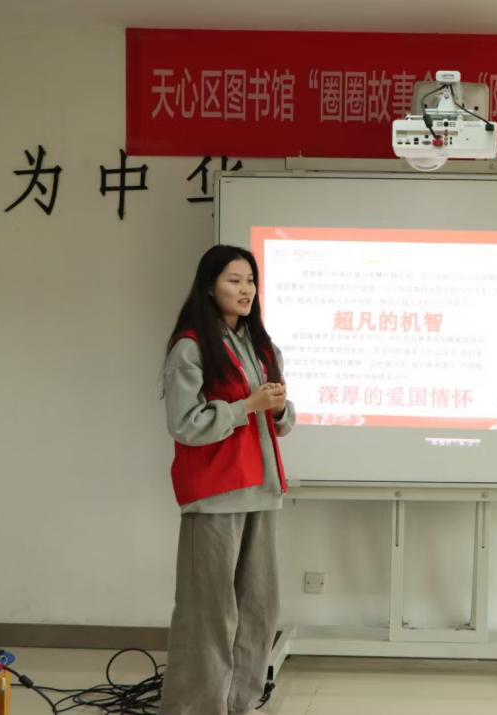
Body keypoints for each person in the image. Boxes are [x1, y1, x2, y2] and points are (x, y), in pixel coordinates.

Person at [158, 245, 295, 715]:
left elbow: (280, 422)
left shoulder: (262, 346)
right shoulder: (192, 346)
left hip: (262, 490)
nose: (245, 290)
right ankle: (197, 707)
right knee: (210, 613)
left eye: (250, 280)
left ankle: (241, 703)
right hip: (216, 494)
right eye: (234, 280)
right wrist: (246, 408)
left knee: (258, 610)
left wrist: (278, 408)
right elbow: (185, 424)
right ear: (209, 287)